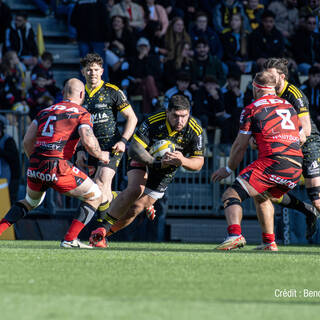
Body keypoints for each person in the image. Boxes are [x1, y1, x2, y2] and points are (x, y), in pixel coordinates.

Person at [0, 78, 110, 248]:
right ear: (81, 94)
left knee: (30, 202)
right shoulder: (81, 112)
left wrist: (37, 163)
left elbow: (27, 141)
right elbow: (88, 140)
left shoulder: (44, 111)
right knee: (95, 195)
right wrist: (100, 154)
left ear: (63, 93)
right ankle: (69, 239)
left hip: (36, 163)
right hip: (58, 165)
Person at [89, 95, 205, 247]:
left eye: (184, 116)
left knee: (136, 208)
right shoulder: (153, 121)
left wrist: (183, 160)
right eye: (176, 116)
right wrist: (155, 162)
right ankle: (101, 230)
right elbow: (134, 149)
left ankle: (103, 235)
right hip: (144, 159)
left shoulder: (195, 130)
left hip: (166, 171)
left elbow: (199, 163)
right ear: (167, 111)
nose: (180, 121)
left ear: (189, 113)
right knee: (135, 190)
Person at [212, 71, 305, 251]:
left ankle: (234, 235)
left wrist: (229, 169)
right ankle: (269, 242)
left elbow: (240, 146)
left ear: (255, 87)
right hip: (295, 166)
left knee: (231, 195)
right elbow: (300, 138)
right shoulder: (289, 106)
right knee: (262, 196)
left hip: (273, 162)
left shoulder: (252, 108)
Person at [77, 53, 137, 226]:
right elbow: (76, 126)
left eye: (96, 70)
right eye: (89, 70)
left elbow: (132, 118)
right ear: (83, 72)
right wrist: (80, 150)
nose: (92, 73)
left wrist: (123, 141)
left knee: (101, 182)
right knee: (98, 192)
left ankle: (102, 231)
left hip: (112, 146)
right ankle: (122, 197)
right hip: (89, 148)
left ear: (102, 71)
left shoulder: (113, 91)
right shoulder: (79, 94)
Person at [263, 57, 320, 240]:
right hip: (286, 146)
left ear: (282, 76)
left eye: (270, 75)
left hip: (307, 144)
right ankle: (306, 210)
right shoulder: (267, 93)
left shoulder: (295, 94)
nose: (267, 78)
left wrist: (283, 144)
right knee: (268, 193)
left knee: (317, 199)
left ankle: (313, 208)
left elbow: (307, 130)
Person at [0, 114, 20, 203]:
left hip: (11, 175)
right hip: (3, 174)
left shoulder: (8, 140)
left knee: (9, 199)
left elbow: (12, 157)